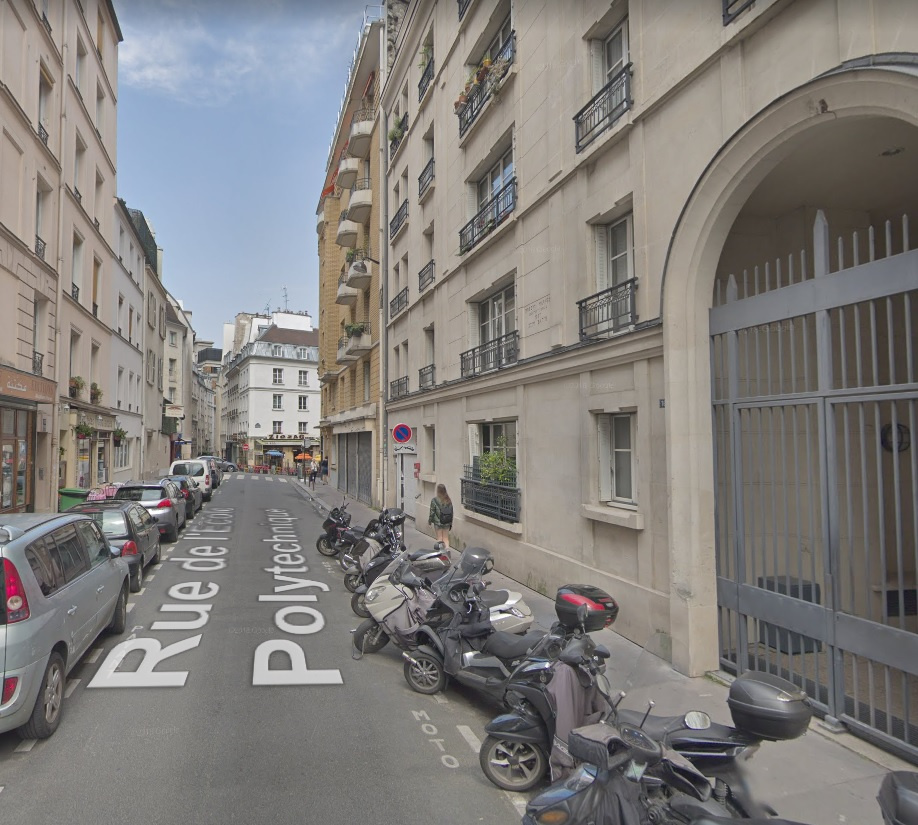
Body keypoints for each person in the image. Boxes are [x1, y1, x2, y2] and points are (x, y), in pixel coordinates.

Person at [428, 483, 453, 549]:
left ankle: (440, 554)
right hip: (446, 522)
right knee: (446, 538)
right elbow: (451, 512)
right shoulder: (448, 500)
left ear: (438, 491)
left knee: (439, 538)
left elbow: (432, 512)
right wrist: (450, 523)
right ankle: (447, 552)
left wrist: (430, 521)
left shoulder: (434, 500)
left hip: (437, 522)